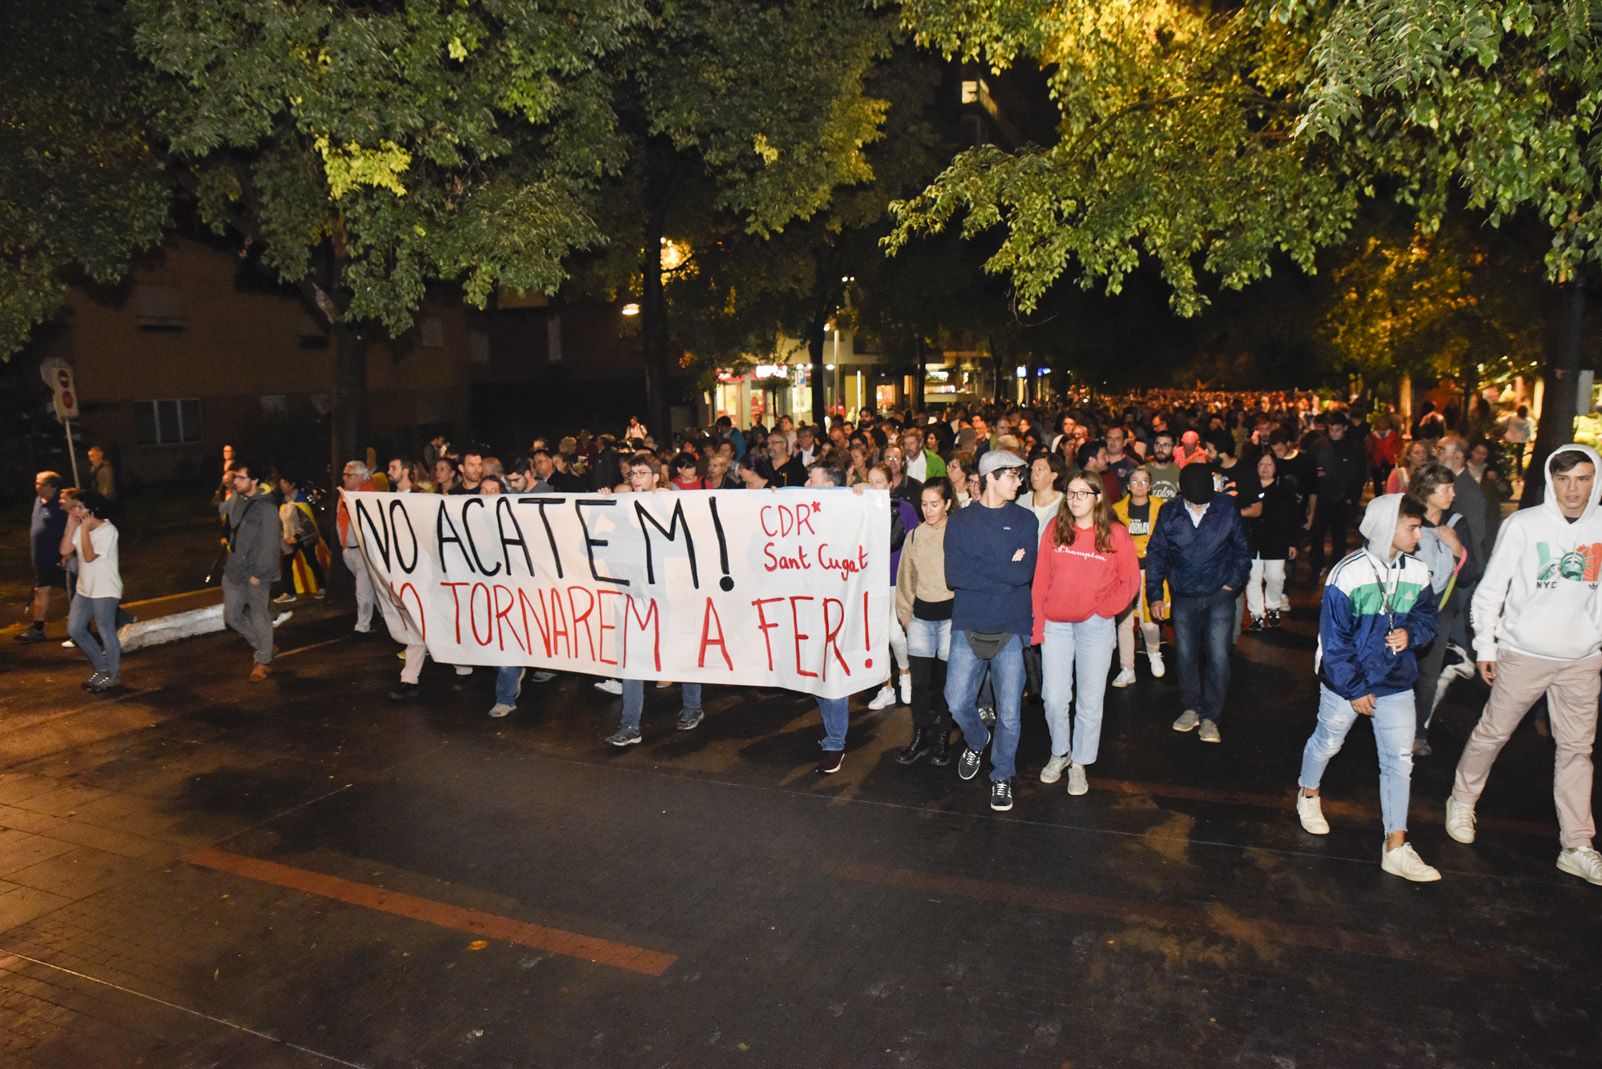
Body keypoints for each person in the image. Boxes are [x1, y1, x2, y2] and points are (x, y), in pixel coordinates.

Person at [1447, 445, 1602, 886]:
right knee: (1493, 732)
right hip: (1524, 653)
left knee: (1577, 752)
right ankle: (1461, 800)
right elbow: (1490, 590)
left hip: (1582, 660)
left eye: (1583, 479)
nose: (1572, 489)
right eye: (1564, 478)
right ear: (1551, 481)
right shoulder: (1523, 524)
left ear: (1595, 481)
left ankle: (1577, 844)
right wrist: (1486, 646)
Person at [1296, 493, 1441, 882]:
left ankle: (1396, 845)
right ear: (1386, 526)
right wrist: (1355, 688)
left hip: (1395, 683)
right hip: (1348, 685)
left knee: (1399, 761)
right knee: (1328, 741)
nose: (1419, 535)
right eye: (1412, 527)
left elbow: (1429, 617)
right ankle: (1308, 793)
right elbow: (1334, 643)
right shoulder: (1348, 574)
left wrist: (1411, 633)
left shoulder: (1417, 571)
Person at [1032, 474, 1140, 796]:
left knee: (1090, 701)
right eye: (1071, 492)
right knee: (1054, 697)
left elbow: (1130, 583)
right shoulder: (1055, 529)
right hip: (1057, 623)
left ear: (1097, 497)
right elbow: (1040, 580)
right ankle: (1060, 752)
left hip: (1095, 626)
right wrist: (1038, 624)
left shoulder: (1116, 534)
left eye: (1083, 492)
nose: (1075, 498)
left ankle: (1079, 762)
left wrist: (1103, 610)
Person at [943, 449, 1037, 812]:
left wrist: (985, 568)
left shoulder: (1026, 520)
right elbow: (956, 576)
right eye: (1012, 476)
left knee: (1010, 713)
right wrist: (1004, 567)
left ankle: (1002, 776)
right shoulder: (961, 521)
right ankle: (978, 739)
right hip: (968, 623)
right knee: (957, 702)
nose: (1019, 482)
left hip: (1011, 626)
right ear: (990, 478)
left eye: (1019, 476)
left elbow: (1024, 573)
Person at [1145, 464, 1251, 744]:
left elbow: (1242, 551)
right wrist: (1155, 594)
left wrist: (1233, 582)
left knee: (1218, 657)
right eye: (1192, 499)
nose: (1197, 503)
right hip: (1183, 596)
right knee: (1186, 656)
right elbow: (1156, 554)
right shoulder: (1169, 512)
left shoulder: (1226, 508)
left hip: (1219, 596)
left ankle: (1211, 718)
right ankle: (1191, 708)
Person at [894, 481, 956, 766]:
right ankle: (919, 735)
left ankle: (943, 737)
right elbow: (905, 578)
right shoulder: (915, 536)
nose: (929, 510)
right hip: (920, 617)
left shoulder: (957, 533)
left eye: (935, 504)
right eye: (924, 504)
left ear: (947, 504)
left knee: (945, 684)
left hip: (950, 619)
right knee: (919, 684)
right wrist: (905, 615)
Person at [221, 460, 282, 680]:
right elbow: (225, 519)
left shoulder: (266, 507)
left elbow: (270, 544)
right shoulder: (236, 501)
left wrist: (259, 573)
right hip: (234, 569)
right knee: (232, 616)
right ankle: (264, 645)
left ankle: (263, 660)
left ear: (254, 480)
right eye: (234, 477)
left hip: (256, 572)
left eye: (241, 478)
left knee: (259, 615)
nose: (235, 481)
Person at [864, 465, 916, 712]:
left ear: (889, 484)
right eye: (870, 482)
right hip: (872, 580)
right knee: (878, 637)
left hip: (897, 579)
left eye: (879, 482)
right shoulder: (862, 507)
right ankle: (886, 687)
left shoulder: (904, 509)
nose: (874, 486)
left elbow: (916, 542)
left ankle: (905, 673)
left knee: (894, 634)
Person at [61, 490, 124, 691]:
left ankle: (112, 675)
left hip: (105, 589)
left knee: (106, 630)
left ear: (92, 509)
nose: (76, 511)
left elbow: (88, 556)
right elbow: (64, 551)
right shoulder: (80, 528)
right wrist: (72, 525)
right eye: (75, 507)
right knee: (76, 629)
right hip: (85, 588)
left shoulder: (108, 530)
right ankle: (101, 668)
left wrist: (85, 530)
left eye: (80, 507)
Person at [1111, 467, 1166, 685]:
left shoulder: (1161, 508)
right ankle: (1127, 667)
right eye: (1135, 481)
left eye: (1144, 481)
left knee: (1149, 618)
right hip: (1125, 570)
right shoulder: (1117, 509)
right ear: (1128, 485)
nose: (1139, 485)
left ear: (1150, 486)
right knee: (1124, 621)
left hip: (1150, 570)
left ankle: (1154, 653)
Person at [1240, 451, 1299, 631]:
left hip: (1276, 540)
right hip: (1252, 540)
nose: (1265, 469)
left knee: (1275, 577)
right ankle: (1256, 614)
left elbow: (1294, 516)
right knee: (1252, 579)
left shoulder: (1285, 487)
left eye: (1269, 465)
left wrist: (1293, 542)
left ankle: (1273, 607)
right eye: (1261, 465)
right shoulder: (1249, 486)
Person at [1306, 411, 1367, 579]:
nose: (1334, 433)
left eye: (1338, 430)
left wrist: (1352, 498)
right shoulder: (1319, 446)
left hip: (1342, 501)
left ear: (1345, 428)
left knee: (1339, 537)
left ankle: (1337, 569)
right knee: (1317, 535)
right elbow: (1309, 471)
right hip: (1321, 499)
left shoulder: (1353, 448)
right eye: (1331, 429)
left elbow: (1359, 475)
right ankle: (1316, 566)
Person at [16, 472, 68, 644]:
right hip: (41, 558)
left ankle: (113, 616)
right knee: (40, 591)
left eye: (41, 484)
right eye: (36, 483)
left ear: (53, 486)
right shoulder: (38, 501)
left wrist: (66, 552)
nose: (36, 487)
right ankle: (38, 628)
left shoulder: (61, 505)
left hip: (59, 557)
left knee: (76, 592)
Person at [335, 460, 379, 634]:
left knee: (362, 589)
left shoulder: (371, 495)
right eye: (344, 474)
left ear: (361, 477)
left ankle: (362, 627)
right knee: (370, 588)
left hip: (363, 551)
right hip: (349, 549)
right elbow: (340, 521)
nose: (344, 478)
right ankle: (385, 618)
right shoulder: (345, 494)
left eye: (349, 475)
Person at [274, 474, 329, 604]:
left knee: (311, 561)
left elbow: (307, 522)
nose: (282, 487)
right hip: (289, 538)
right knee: (286, 564)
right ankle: (290, 592)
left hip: (304, 538)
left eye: (285, 484)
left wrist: (297, 536)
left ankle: (323, 586)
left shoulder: (301, 499)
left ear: (292, 485)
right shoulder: (283, 500)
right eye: (281, 484)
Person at [1141, 432, 1182, 501]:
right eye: (1157, 444)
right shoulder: (1142, 471)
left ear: (1174, 449)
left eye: (1165, 445)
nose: (1160, 449)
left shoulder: (1179, 473)